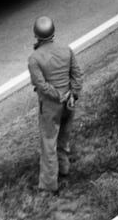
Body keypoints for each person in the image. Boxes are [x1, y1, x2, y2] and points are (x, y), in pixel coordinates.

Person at [27, 15, 82, 194]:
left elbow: (41, 85)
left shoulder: (35, 58)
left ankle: (49, 185)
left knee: (48, 142)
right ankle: (64, 169)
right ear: (53, 32)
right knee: (64, 137)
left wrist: (58, 96)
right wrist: (73, 94)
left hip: (51, 105)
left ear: (36, 35)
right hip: (69, 102)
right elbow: (77, 74)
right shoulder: (66, 50)